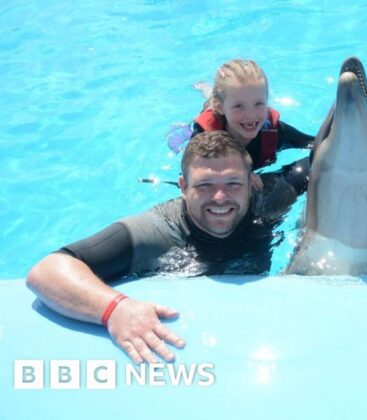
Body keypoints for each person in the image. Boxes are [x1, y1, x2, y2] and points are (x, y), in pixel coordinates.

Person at [26, 131, 273, 364]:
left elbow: (311, 166)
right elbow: (47, 271)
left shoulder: (270, 206)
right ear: (183, 188)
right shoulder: (155, 231)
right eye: (204, 185)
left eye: (233, 183)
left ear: (251, 183)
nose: (220, 197)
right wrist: (114, 308)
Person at [190, 58, 314, 194]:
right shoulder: (204, 137)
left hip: (224, 105)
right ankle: (207, 90)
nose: (250, 115)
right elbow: (191, 176)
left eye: (258, 104)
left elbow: (313, 143)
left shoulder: (272, 130)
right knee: (211, 105)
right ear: (220, 108)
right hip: (218, 114)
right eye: (239, 106)